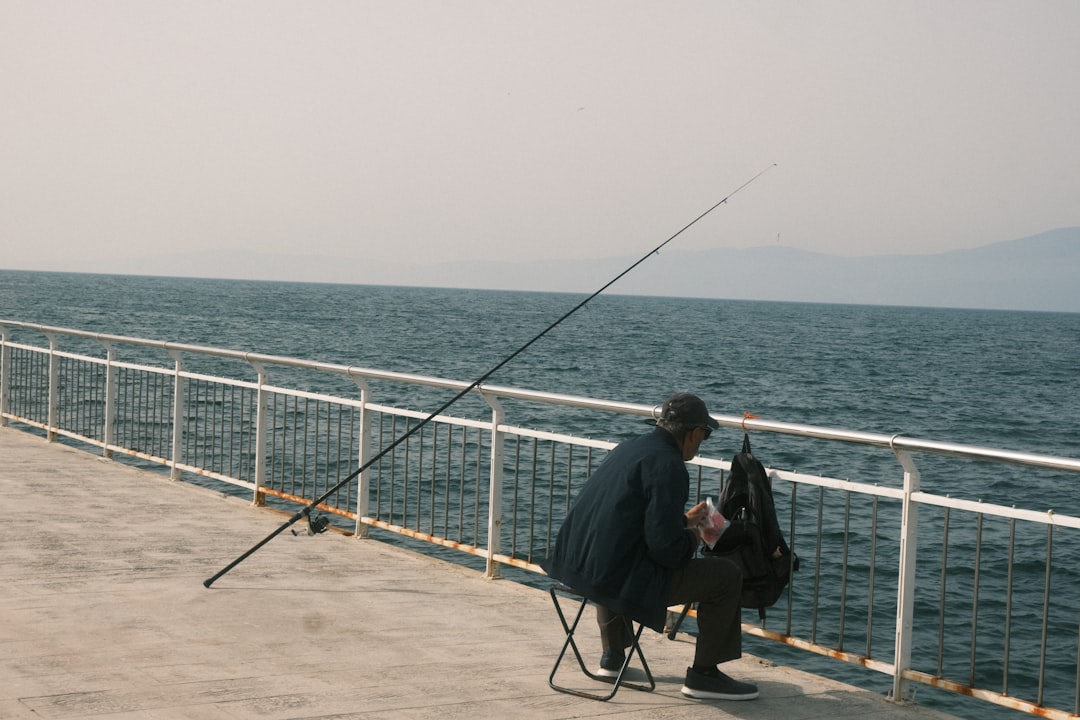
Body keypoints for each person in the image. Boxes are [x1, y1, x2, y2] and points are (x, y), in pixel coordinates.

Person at [541, 393, 758, 701]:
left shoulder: (629, 448)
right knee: (726, 575)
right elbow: (666, 551)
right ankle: (704, 675)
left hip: (575, 567)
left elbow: (631, 523)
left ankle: (612, 656)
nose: (702, 442)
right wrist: (697, 533)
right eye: (705, 435)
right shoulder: (670, 466)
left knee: (616, 554)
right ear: (695, 432)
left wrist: (682, 521)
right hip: (615, 580)